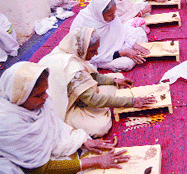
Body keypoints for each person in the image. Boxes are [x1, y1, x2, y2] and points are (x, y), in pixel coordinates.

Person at [0, 61, 132, 173]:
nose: (46, 96)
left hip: (41, 158)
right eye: (39, 95)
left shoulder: (40, 101)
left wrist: (83, 140)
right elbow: (40, 169)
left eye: (45, 91)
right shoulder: (9, 124)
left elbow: (55, 123)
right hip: (26, 168)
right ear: (20, 97)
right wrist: (95, 162)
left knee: (86, 143)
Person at [39, 27, 155, 137]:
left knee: (116, 77)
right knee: (101, 126)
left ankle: (108, 100)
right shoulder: (71, 66)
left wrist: (114, 81)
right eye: (92, 51)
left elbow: (92, 76)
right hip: (65, 108)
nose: (96, 54)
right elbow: (92, 99)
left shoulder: (67, 50)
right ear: (82, 49)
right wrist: (131, 102)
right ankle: (76, 123)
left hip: (78, 95)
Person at [70, 0, 150, 71]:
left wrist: (133, 44)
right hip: (99, 57)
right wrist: (122, 52)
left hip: (116, 46)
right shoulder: (83, 25)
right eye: (110, 14)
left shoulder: (110, 16)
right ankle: (102, 64)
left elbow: (121, 31)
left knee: (139, 32)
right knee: (127, 63)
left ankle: (131, 51)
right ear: (100, 14)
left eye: (114, 12)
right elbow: (89, 55)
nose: (114, 16)